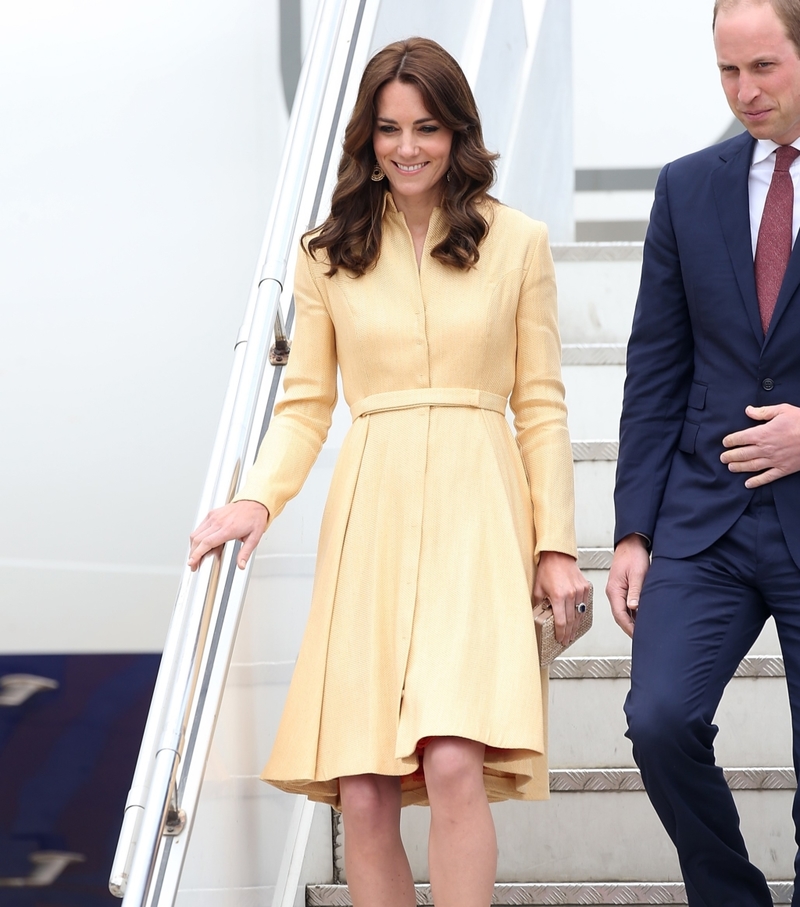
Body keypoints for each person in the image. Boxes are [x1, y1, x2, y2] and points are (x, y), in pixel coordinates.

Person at [189, 37, 588, 907]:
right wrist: (257, 498)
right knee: (364, 786)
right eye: (389, 129)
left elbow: (543, 405)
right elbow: (304, 405)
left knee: (452, 760)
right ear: (366, 137)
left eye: (428, 128)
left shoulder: (518, 241)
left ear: (458, 133)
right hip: (370, 512)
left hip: (479, 514)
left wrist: (555, 544)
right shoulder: (326, 253)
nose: (408, 148)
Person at [607, 1, 800, 903]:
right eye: (728, 72)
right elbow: (655, 367)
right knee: (658, 719)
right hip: (705, 524)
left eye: (764, 67)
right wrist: (633, 533)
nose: (744, 91)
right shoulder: (687, 187)